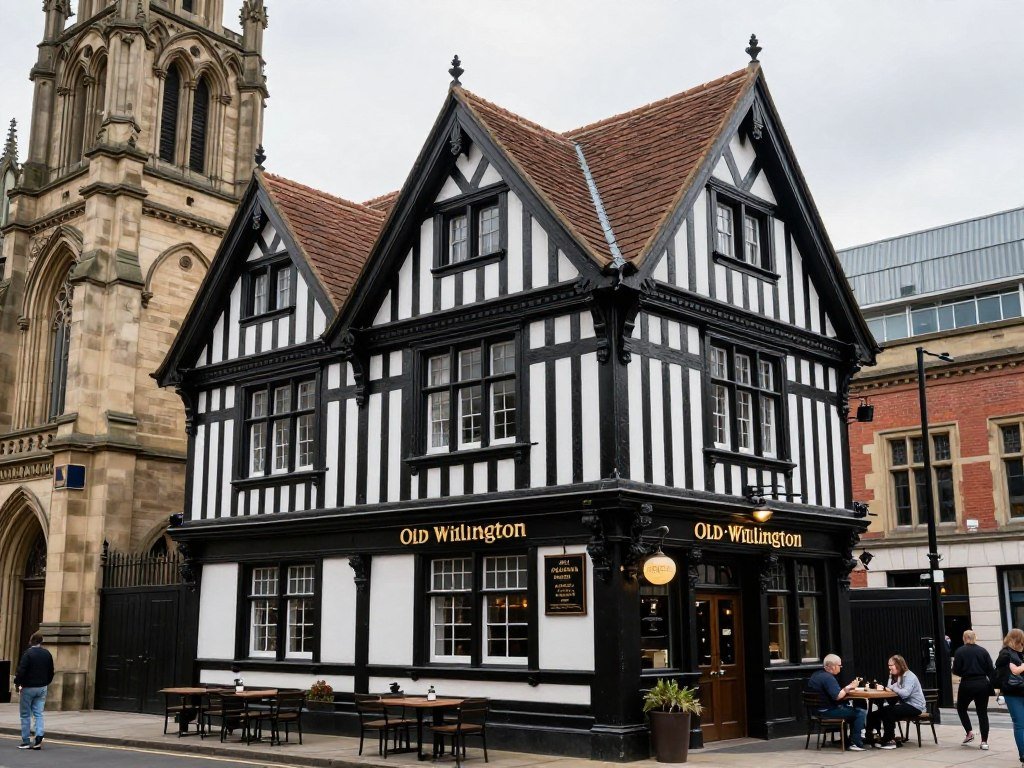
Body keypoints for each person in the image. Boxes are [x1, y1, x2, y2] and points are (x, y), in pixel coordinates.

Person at [806, 653, 867, 751]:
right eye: (839, 665)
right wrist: (850, 687)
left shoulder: (817, 674)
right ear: (833, 666)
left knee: (854, 707)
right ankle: (856, 743)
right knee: (860, 712)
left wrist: (847, 689)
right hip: (826, 711)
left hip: (817, 711)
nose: (841, 667)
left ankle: (849, 739)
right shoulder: (828, 678)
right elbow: (837, 696)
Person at [866, 654, 925, 749]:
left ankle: (889, 740)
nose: (889, 668)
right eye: (888, 666)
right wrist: (890, 678)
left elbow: (905, 693)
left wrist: (892, 687)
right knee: (875, 714)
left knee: (888, 711)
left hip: (915, 706)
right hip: (903, 704)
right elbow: (889, 687)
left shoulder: (909, 676)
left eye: (891, 665)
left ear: (899, 664)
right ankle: (870, 736)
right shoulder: (896, 675)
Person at [953, 629, 994, 749]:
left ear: (964, 638)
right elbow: (990, 669)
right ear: (975, 637)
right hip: (982, 683)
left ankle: (969, 732)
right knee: (982, 713)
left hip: (967, 683)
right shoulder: (983, 651)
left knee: (961, 708)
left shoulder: (960, 651)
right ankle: (984, 742)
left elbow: (956, 670)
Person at [13, 632, 54, 750]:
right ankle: (38, 738)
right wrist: (46, 682)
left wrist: (17, 683)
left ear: (31, 641)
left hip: (28, 688)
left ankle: (26, 741)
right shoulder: (47, 654)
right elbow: (51, 671)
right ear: (41, 641)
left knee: (25, 714)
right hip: (42, 687)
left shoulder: (28, 654)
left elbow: (21, 671)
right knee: (38, 713)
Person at [995, 627, 1024, 765]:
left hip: (1018, 692)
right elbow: (1015, 671)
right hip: (1014, 693)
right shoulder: (1006, 654)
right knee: (1020, 724)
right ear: (1018, 640)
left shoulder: (1018, 653)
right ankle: (1023, 755)